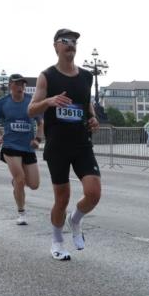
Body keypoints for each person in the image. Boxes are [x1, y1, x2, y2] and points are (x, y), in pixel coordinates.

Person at [27, 28, 101, 261]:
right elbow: (31, 109)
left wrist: (93, 118)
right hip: (58, 145)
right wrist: (49, 101)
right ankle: (57, 241)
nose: (71, 45)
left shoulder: (86, 77)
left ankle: (75, 219)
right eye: (65, 41)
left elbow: (86, 106)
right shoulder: (47, 76)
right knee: (62, 198)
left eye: (74, 42)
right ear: (56, 46)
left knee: (94, 193)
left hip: (81, 143)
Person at [0, 73, 43, 225]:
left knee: (34, 184)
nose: (21, 87)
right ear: (11, 85)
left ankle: (16, 183)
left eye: (23, 84)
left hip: (27, 147)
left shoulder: (31, 101)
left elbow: (40, 123)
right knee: (20, 179)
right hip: (10, 145)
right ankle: (21, 213)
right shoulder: (2, 102)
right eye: (18, 84)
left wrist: (37, 139)